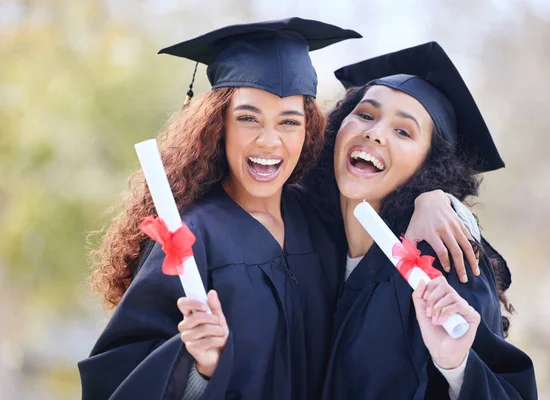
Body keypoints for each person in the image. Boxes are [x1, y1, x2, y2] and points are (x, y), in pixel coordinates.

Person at [78, 18, 361, 400]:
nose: (269, 140)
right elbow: (118, 380)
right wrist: (200, 369)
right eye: (248, 118)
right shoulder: (190, 236)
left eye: (289, 122)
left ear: (308, 130)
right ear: (218, 125)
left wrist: (436, 202)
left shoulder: (321, 223)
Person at [304, 42, 537, 399]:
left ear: (428, 165)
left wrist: (457, 367)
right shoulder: (306, 238)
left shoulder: (442, 259)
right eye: (366, 114)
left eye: (403, 131)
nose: (375, 132)